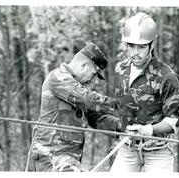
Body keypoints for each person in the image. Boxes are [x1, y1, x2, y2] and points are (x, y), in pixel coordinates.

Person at [110, 12, 179, 172]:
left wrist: (149, 130)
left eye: (142, 47)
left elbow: (174, 120)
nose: (135, 52)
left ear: (152, 45)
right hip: (127, 148)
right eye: (131, 46)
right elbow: (118, 106)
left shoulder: (167, 76)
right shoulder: (120, 69)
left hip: (158, 153)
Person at [28, 42, 120, 172]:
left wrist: (120, 125)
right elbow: (86, 99)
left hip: (68, 160)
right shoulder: (58, 78)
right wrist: (118, 104)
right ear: (84, 65)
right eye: (94, 74)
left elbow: (95, 118)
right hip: (50, 157)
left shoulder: (79, 89)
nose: (94, 80)